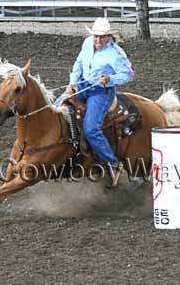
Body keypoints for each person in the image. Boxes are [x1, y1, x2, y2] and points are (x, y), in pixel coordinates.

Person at [55, 17, 134, 187]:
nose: (98, 40)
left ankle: (113, 163)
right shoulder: (87, 44)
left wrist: (110, 78)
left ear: (108, 36)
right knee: (56, 108)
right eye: (95, 36)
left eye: (102, 37)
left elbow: (128, 74)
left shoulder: (116, 53)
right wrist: (72, 83)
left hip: (101, 92)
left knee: (91, 129)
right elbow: (78, 64)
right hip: (82, 85)